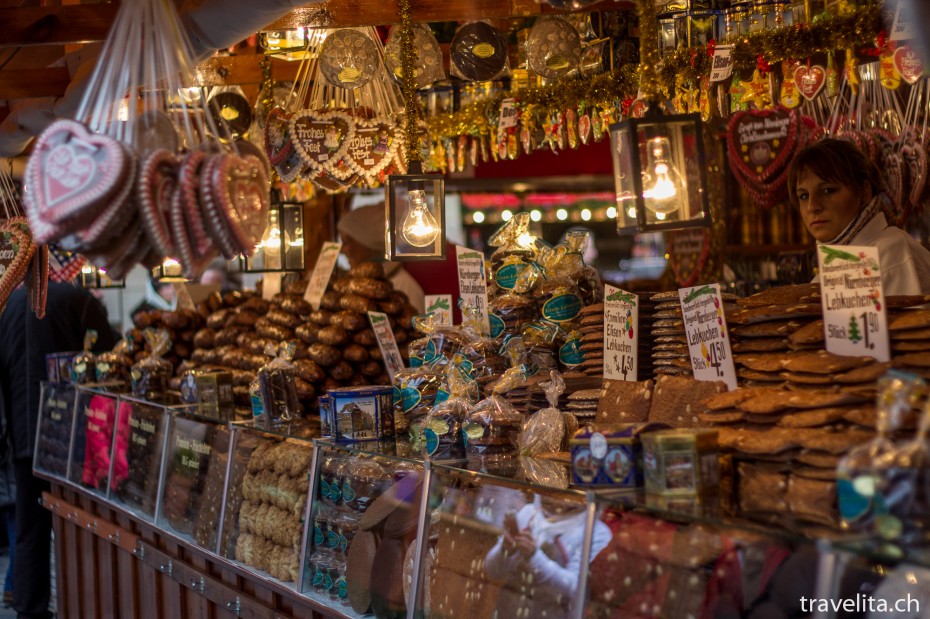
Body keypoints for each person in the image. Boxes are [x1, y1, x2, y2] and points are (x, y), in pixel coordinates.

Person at [0, 282, 117, 619]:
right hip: (74, 435)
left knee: (30, 528)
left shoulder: (9, 302)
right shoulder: (76, 299)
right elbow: (109, 357)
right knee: (83, 523)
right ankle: (85, 604)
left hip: (23, 434)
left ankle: (30, 609)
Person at [788, 138, 930, 296]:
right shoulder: (820, 280)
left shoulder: (894, 254)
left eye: (828, 190)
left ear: (864, 193)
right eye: (803, 196)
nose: (812, 207)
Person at [484, 494, 611, 617]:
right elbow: (492, 571)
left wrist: (534, 557)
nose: (558, 494)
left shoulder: (596, 532)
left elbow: (576, 590)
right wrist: (505, 551)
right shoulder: (529, 513)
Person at [337, 203, 425, 312]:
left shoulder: (404, 286)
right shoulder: (352, 286)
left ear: (367, 244)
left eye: (346, 242)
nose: (342, 250)